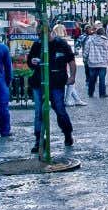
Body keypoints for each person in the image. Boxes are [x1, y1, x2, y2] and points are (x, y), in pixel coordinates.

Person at [28, 23, 76, 152]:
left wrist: (72, 77)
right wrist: (32, 62)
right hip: (39, 82)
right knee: (39, 112)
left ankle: (67, 134)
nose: (38, 37)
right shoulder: (37, 45)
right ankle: (38, 140)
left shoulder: (61, 44)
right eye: (37, 34)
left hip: (56, 82)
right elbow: (30, 61)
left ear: (49, 32)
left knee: (60, 109)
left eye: (40, 34)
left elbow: (71, 61)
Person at [81, 23, 108, 99]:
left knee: (92, 79)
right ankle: (102, 94)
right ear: (104, 33)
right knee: (102, 79)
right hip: (103, 63)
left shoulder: (90, 40)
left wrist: (84, 59)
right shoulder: (107, 41)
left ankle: (90, 93)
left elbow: (86, 51)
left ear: (96, 33)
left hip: (92, 62)